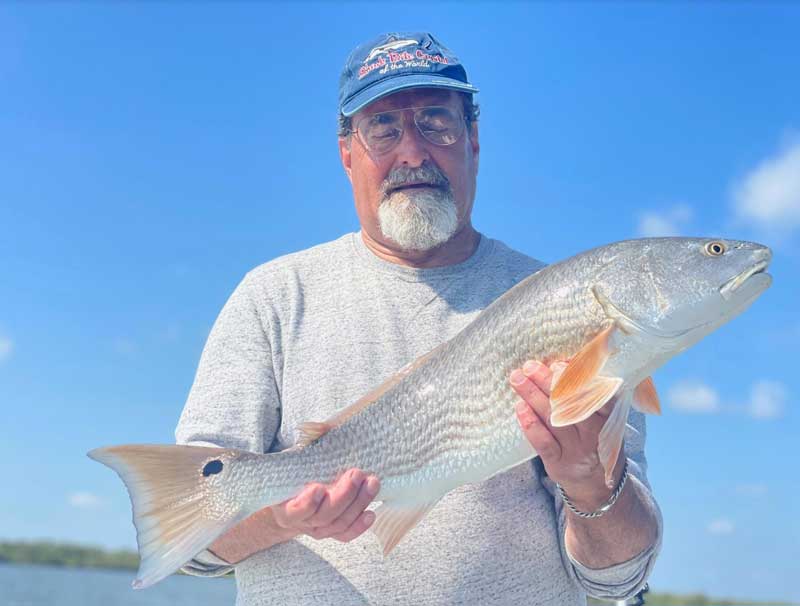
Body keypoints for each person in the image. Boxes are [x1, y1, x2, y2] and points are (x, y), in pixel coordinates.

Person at [176, 32, 662, 605]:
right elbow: (190, 543)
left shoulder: (566, 301)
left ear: (474, 141)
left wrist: (590, 485)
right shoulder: (273, 296)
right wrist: (281, 517)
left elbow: (619, 580)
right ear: (346, 153)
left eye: (437, 122)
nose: (412, 152)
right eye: (383, 127)